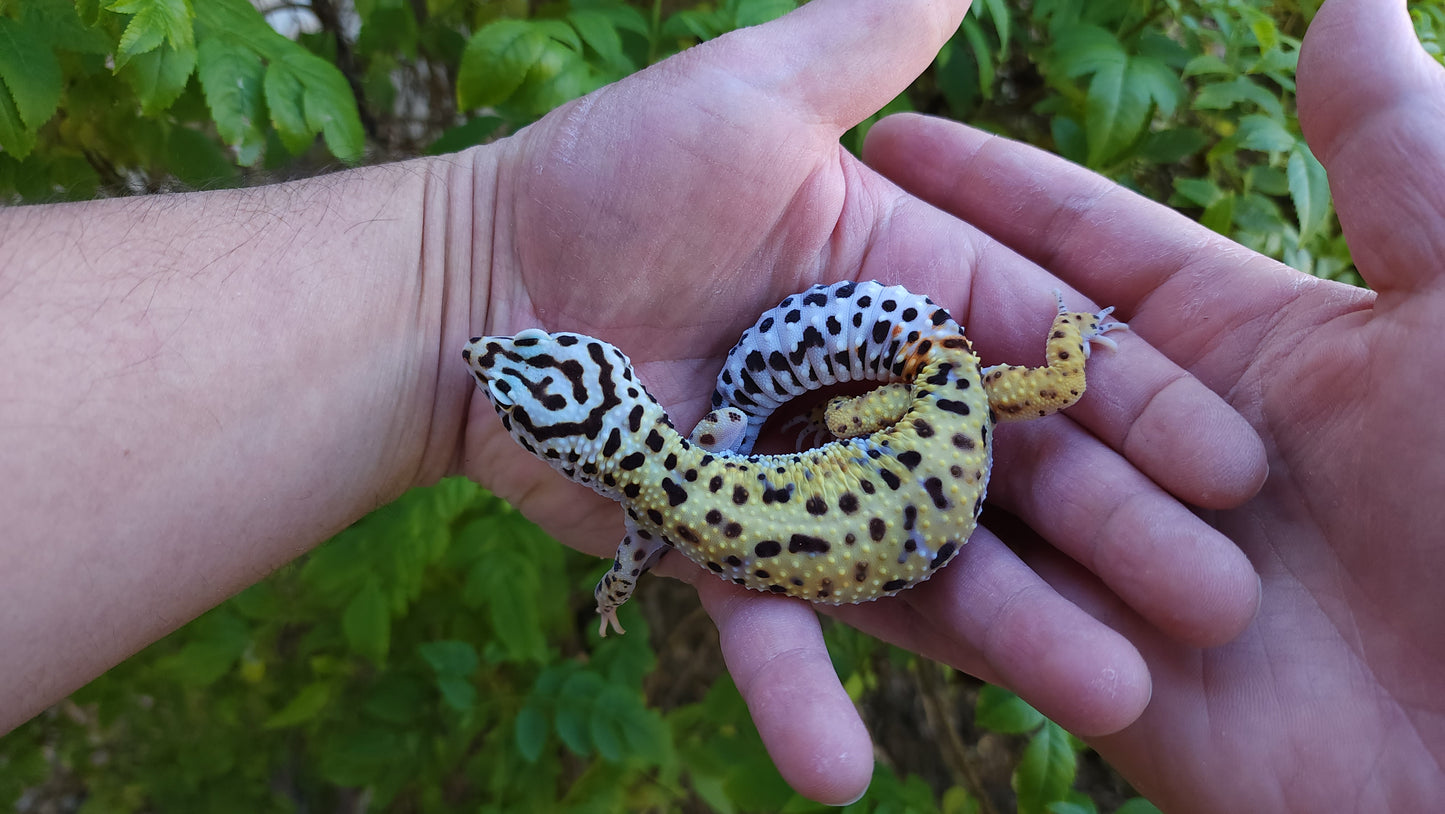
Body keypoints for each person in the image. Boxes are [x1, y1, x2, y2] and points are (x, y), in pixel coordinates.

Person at [1, 0, 1438, 808]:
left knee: (955, 410)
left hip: (902, 453)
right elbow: (659, 515)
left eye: (522, 371)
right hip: (904, 451)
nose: (496, 367)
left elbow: (656, 525)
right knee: (979, 403)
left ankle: (1030, 370)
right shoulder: (666, 474)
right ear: (611, 391)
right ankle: (1054, 361)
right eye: (517, 377)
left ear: (615, 403)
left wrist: (651, 547)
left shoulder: (669, 487)